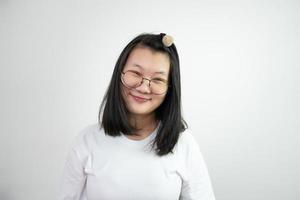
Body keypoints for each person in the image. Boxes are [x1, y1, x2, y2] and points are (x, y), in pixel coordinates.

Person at [58, 33, 216, 200]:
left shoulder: (184, 144)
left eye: (158, 79)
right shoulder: (87, 141)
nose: (144, 87)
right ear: (119, 73)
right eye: (135, 73)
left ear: (170, 88)